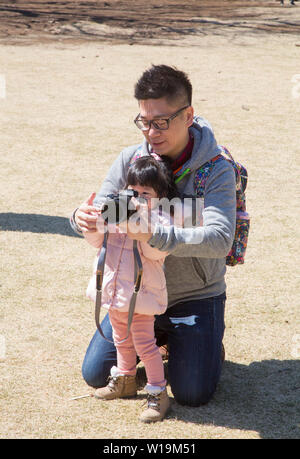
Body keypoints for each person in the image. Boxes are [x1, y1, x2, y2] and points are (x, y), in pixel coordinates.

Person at [70, 64, 236, 408]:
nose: (151, 131)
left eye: (161, 121)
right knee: (96, 373)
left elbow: (221, 238)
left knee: (191, 393)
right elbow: (102, 208)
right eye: (144, 121)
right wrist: (82, 218)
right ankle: (159, 344)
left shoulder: (217, 168)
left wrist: (156, 233)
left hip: (195, 296)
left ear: (188, 115)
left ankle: (203, 345)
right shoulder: (131, 159)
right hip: (136, 293)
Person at [84, 157, 179, 422]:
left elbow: (154, 250)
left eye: (145, 193)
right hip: (115, 293)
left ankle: (158, 393)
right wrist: (90, 223)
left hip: (141, 297)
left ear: (159, 197)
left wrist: (134, 220)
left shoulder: (161, 220)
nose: (137, 197)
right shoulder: (117, 211)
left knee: (146, 346)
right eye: (132, 190)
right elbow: (97, 241)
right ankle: (125, 379)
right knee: (121, 340)